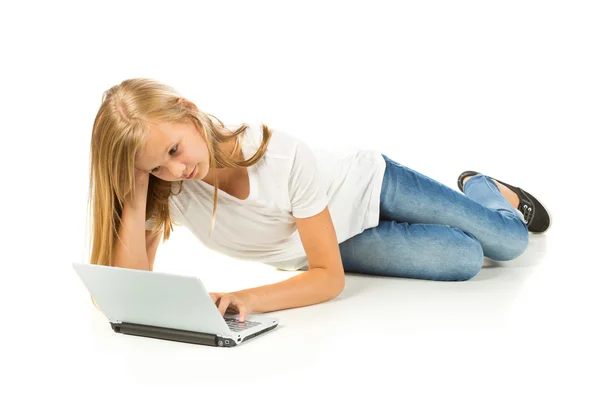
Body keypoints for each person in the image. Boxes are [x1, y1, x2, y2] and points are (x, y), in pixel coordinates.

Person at [88, 78, 551, 322]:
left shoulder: (279, 153)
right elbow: (131, 294)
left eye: (173, 150)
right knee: (466, 259)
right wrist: (133, 186)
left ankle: (484, 187)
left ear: (188, 111)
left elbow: (329, 281)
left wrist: (244, 298)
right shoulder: (168, 190)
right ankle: (470, 215)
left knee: (509, 243)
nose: (175, 170)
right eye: (155, 167)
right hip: (332, 239)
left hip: (370, 184)